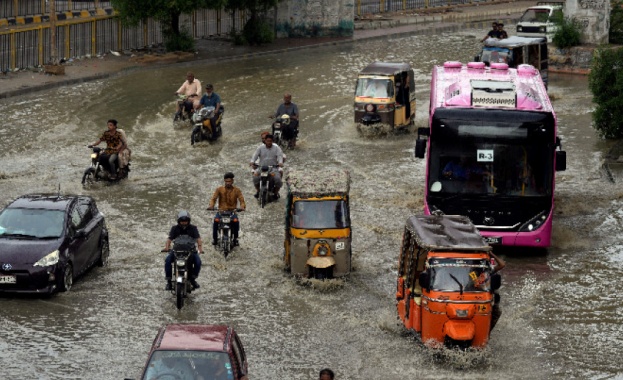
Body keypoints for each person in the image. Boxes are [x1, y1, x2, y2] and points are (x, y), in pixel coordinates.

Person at [163, 210, 203, 290]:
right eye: (182, 221)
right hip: (176, 251)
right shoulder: (174, 228)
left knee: (198, 262)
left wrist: (200, 248)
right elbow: (169, 239)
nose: (184, 223)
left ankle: (192, 279)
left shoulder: (193, 228)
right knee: (167, 260)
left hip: (190, 251)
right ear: (179, 221)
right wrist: (167, 247)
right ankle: (169, 282)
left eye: (185, 221)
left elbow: (198, 239)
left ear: (188, 221)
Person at [207, 172, 246, 247]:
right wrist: (211, 206)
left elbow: (241, 200)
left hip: (232, 212)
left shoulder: (237, 190)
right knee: (215, 222)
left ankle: (235, 239)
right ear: (224, 181)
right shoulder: (219, 189)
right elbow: (213, 198)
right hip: (221, 211)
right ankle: (215, 239)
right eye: (226, 181)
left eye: (229, 181)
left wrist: (242, 207)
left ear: (232, 181)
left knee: (236, 222)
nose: (228, 183)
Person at [249, 134, 284, 199]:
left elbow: (280, 156)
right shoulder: (260, 147)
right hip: (261, 168)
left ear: (272, 141)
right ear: (265, 141)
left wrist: (280, 163)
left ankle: (275, 193)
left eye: (270, 141)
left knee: (278, 180)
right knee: (255, 178)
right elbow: (255, 155)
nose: (269, 142)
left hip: (273, 168)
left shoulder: (276, 148)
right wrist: (252, 161)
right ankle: (258, 191)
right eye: (267, 141)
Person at [489, 251, 506, 331]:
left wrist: (491, 254)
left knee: (497, 312)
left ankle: (488, 331)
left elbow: (502, 264)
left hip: (487, 297)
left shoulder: (488, 270)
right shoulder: (472, 271)